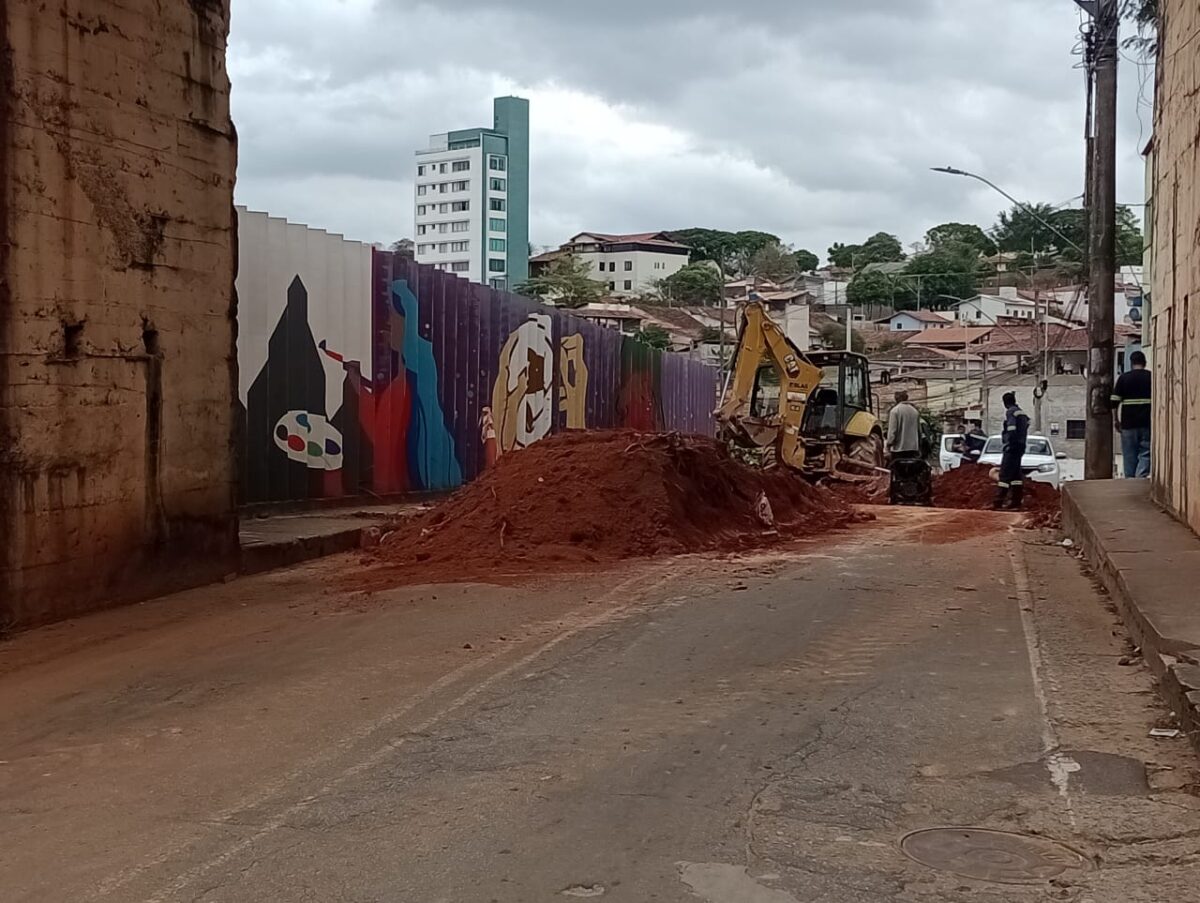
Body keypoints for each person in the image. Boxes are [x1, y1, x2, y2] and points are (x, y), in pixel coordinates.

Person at [1112, 350, 1152, 479]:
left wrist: (1116, 420)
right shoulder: (1151, 377)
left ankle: (1130, 481)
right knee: (1145, 453)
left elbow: (1114, 402)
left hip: (1128, 425)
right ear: (1144, 363)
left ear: (1131, 363)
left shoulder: (1124, 378)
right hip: (1147, 423)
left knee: (1129, 455)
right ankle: (1140, 478)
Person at [995, 392, 1030, 509]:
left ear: (1005, 402)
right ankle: (1016, 502)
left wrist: (1010, 442)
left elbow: (1011, 429)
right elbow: (1027, 423)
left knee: (1004, 475)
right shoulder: (1021, 412)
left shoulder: (1011, 412)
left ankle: (998, 502)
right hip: (1021, 446)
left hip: (1012, 447)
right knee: (1015, 476)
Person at [887, 390, 921, 460]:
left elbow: (892, 431)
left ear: (896, 399)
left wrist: (889, 444)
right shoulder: (915, 411)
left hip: (899, 450)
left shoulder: (895, 411)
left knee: (897, 469)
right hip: (913, 449)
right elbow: (919, 431)